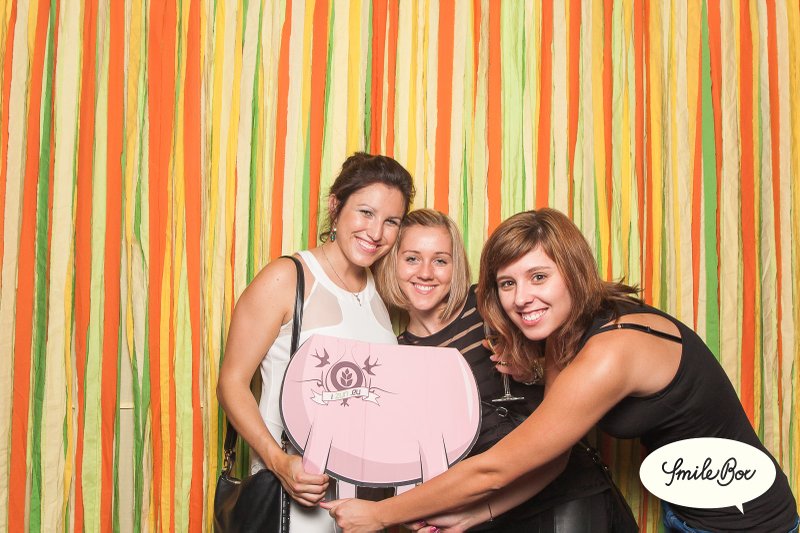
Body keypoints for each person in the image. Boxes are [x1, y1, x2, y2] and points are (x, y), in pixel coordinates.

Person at [323, 208, 799, 533]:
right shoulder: (563, 335)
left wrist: (381, 515)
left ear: (572, 269)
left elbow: (496, 468)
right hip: (686, 512)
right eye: (507, 283)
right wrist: (477, 515)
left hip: (748, 521)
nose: (521, 298)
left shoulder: (611, 351)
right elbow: (551, 457)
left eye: (539, 277)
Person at [375, 209, 637, 532]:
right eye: (412, 259)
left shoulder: (491, 302)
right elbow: (415, 456)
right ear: (394, 264)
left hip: (561, 493)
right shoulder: (396, 357)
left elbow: (578, 350)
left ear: (456, 266)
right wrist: (417, 512)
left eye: (440, 260)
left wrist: (534, 369)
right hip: (484, 511)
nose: (426, 273)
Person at [217, 152, 415, 531]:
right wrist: (278, 462)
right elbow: (231, 383)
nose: (376, 233)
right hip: (292, 495)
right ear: (335, 207)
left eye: (391, 221)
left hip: (360, 506)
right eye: (366, 213)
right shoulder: (287, 278)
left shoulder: (378, 291)